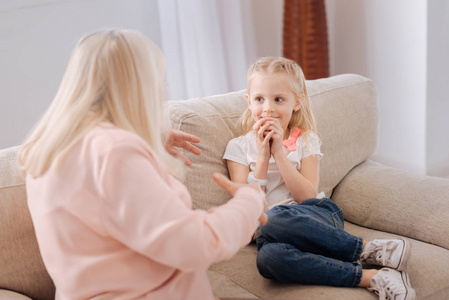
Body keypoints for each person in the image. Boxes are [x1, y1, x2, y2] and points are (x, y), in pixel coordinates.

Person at [18, 29, 267, 300]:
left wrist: (144, 137)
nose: (164, 89)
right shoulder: (115, 153)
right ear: (141, 86)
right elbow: (193, 244)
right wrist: (248, 202)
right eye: (159, 81)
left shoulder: (49, 148)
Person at [223, 57, 416, 300]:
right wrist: (262, 157)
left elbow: (306, 196)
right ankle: (373, 277)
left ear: (297, 102)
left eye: (278, 99)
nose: (268, 108)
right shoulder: (238, 148)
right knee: (269, 259)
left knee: (272, 218)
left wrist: (280, 154)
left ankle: (365, 249)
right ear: (248, 101)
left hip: (317, 215)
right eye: (260, 99)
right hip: (269, 231)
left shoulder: (305, 140)